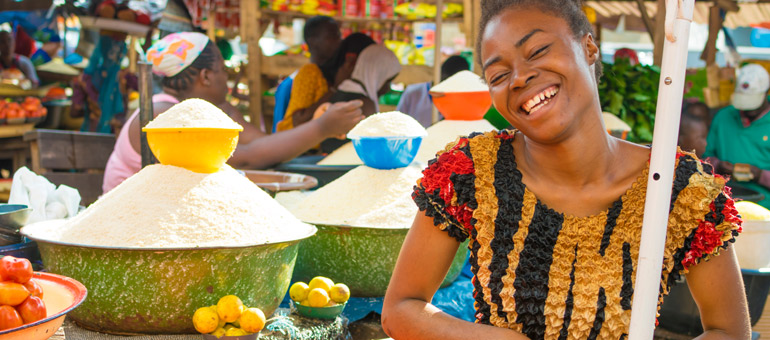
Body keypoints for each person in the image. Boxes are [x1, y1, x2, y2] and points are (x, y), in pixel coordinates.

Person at [381, 1, 750, 339]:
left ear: (589, 47)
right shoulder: (472, 172)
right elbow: (400, 310)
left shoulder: (678, 187)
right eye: (498, 75)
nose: (520, 78)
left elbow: (730, 331)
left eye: (538, 51)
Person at [103, 32, 363, 193]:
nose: (227, 77)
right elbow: (247, 158)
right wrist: (321, 128)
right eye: (222, 70)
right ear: (206, 76)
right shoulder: (163, 113)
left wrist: (319, 124)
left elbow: (260, 142)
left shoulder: (209, 109)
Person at [704, 63, 770, 209]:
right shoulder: (723, 116)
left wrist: (760, 175)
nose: (747, 110)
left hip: (765, 206)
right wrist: (719, 166)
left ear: (766, 93)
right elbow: (705, 159)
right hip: (723, 202)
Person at [320, 44, 401, 153]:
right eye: (388, 81)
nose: (388, 88)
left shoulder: (340, 91)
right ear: (377, 75)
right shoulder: (365, 104)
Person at [275, 16, 342, 132]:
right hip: (301, 147)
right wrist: (334, 89)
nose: (339, 40)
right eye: (332, 36)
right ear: (312, 41)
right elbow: (298, 120)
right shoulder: (310, 72)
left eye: (338, 35)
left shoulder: (324, 72)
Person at [397, 55, 470, 127]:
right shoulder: (413, 93)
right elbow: (398, 123)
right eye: (446, 79)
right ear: (440, 73)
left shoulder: (460, 103)